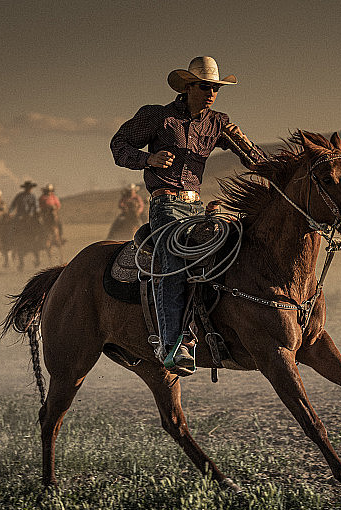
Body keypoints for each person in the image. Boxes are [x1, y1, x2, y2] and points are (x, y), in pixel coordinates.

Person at [110, 56, 265, 376]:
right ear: (189, 87)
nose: (211, 93)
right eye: (206, 87)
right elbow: (119, 144)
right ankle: (172, 343)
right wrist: (148, 159)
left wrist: (285, 171)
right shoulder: (158, 116)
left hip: (196, 206)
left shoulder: (219, 123)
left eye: (216, 89)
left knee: (237, 247)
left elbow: (253, 156)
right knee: (174, 258)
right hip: (165, 204)